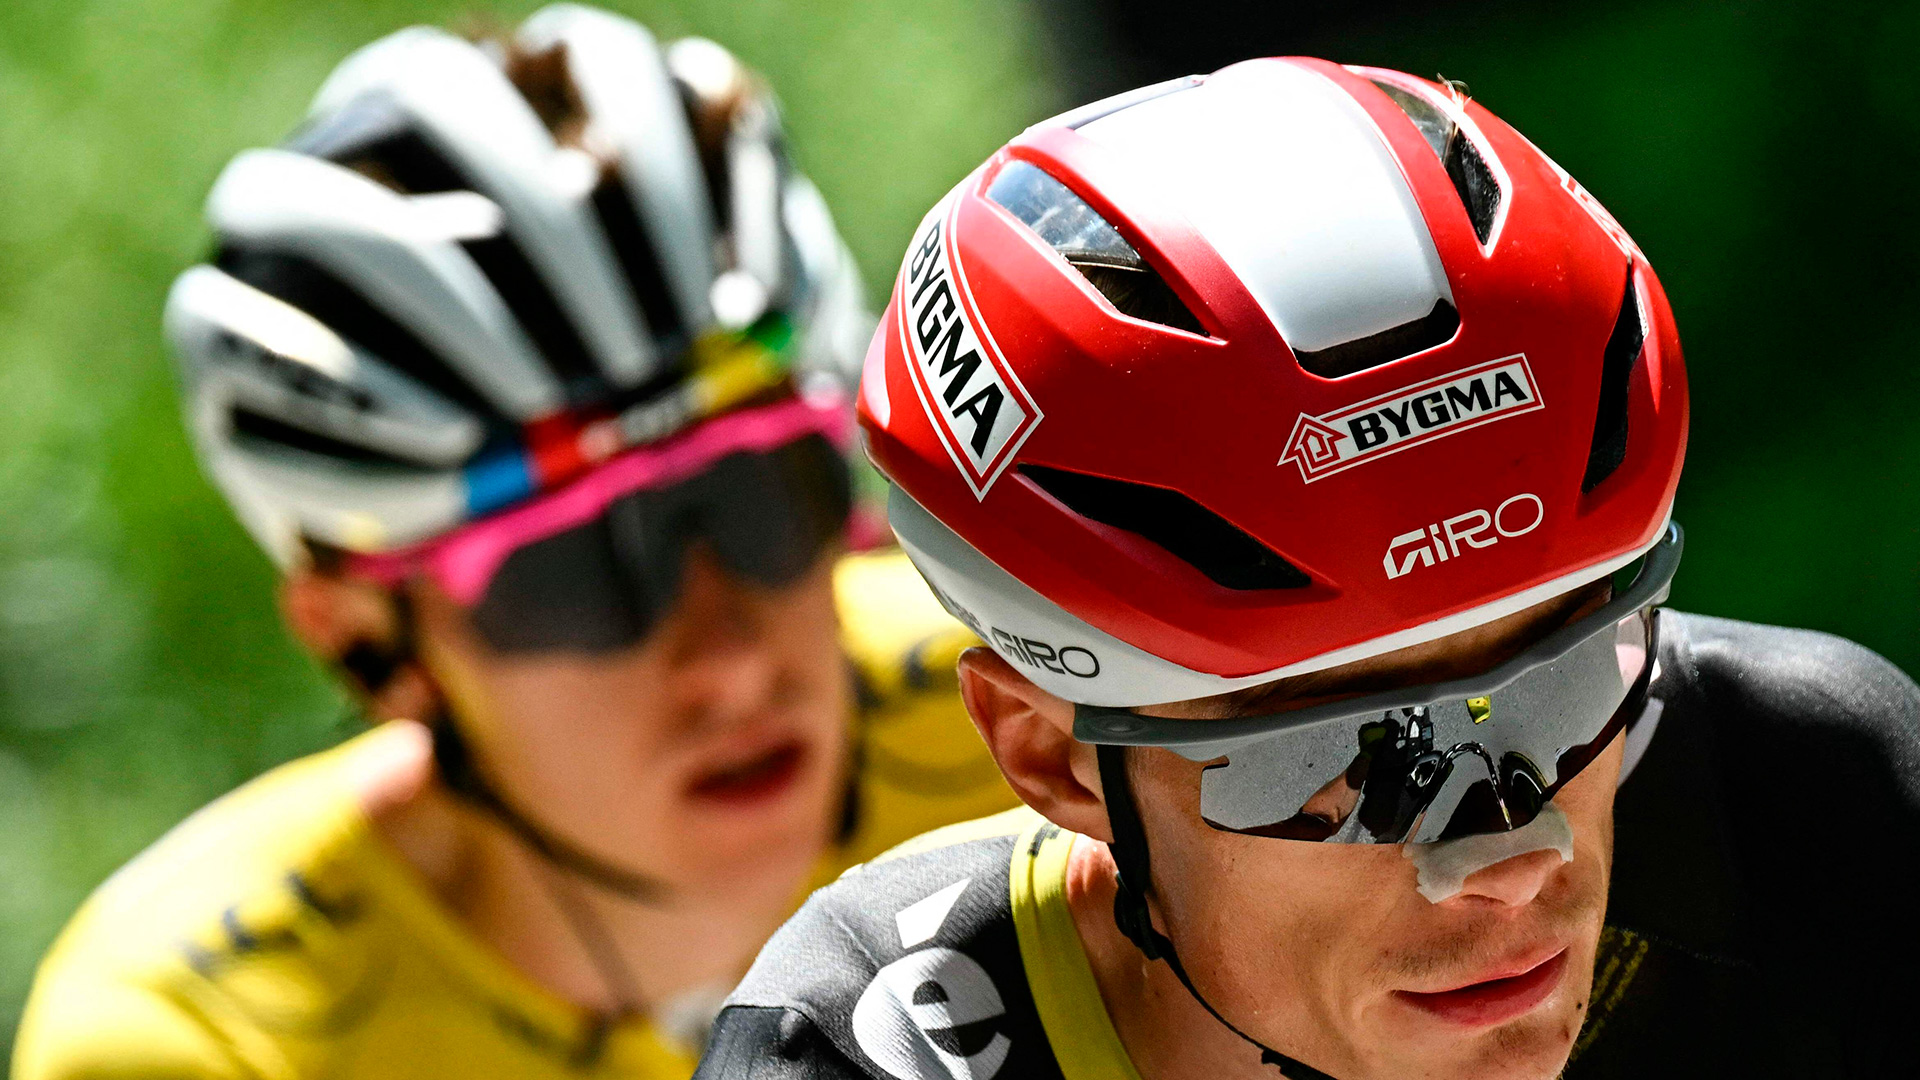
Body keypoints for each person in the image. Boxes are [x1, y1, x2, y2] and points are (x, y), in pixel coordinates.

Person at [694, 59, 1920, 1080]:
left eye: (1564, 685)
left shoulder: (1817, 803)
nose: (1507, 858)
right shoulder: (861, 1050)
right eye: (1346, 756)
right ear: (1051, 755)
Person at [11, 7, 1018, 1078]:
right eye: (566, 578)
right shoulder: (200, 1042)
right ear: (367, 644)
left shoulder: (1053, 726)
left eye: (764, 502)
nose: (727, 662)